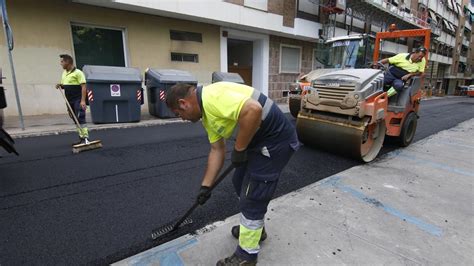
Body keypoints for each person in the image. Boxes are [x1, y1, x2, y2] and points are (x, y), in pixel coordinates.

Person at [166, 82, 299, 266]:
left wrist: (239, 148)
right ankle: (255, 230)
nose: (181, 118)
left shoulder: (213, 98)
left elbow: (253, 109)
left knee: (253, 195)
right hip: (256, 142)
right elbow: (217, 150)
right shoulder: (206, 114)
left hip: (275, 141)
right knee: (239, 181)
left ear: (183, 103)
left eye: (178, 114)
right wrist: (206, 186)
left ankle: (247, 255)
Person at [55, 54, 89, 146]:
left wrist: (83, 101)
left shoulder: (78, 73)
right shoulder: (64, 73)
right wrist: (60, 85)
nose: (60, 63)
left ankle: (86, 138)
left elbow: (83, 87)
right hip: (69, 101)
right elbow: (65, 85)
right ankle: (81, 137)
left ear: (67, 62)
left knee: (80, 117)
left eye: (62, 61)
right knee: (75, 119)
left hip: (78, 99)